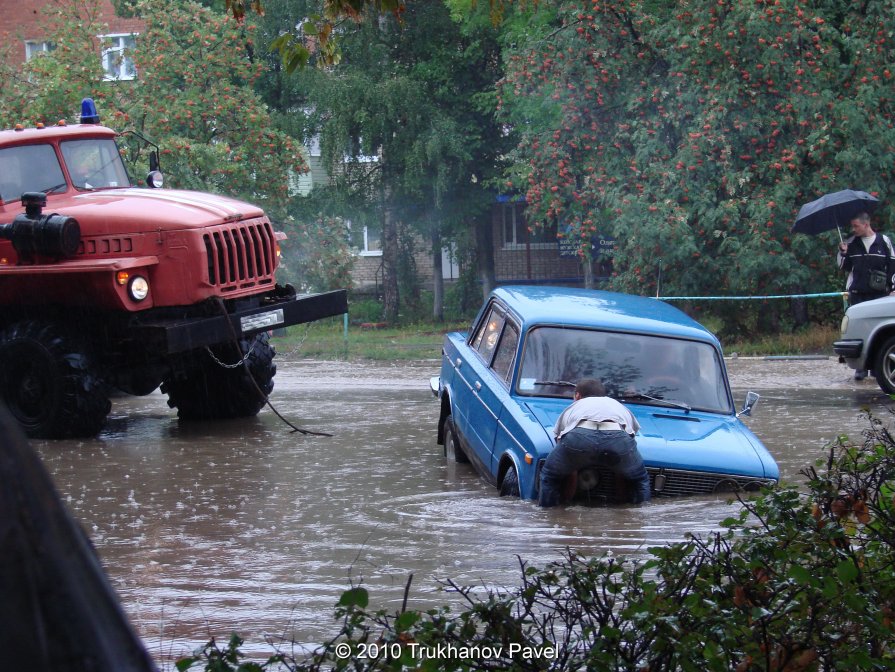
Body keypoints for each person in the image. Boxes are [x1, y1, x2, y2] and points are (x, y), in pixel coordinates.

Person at [539, 378, 650, 507]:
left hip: (579, 437)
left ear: (578, 396)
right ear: (603, 396)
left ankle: (548, 514)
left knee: (549, 476)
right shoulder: (616, 404)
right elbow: (631, 437)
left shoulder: (575, 405)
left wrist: (571, 464)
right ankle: (641, 515)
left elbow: (559, 440)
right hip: (617, 436)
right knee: (640, 479)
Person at [837, 211, 895, 380]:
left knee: (878, 332)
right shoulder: (851, 243)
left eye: (855, 226)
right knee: (858, 332)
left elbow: (893, 265)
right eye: (852, 226)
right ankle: (860, 368)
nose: (853, 229)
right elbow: (843, 267)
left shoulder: (884, 241)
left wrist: (893, 287)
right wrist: (843, 253)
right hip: (857, 294)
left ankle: (878, 368)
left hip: (879, 295)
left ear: (866, 224)